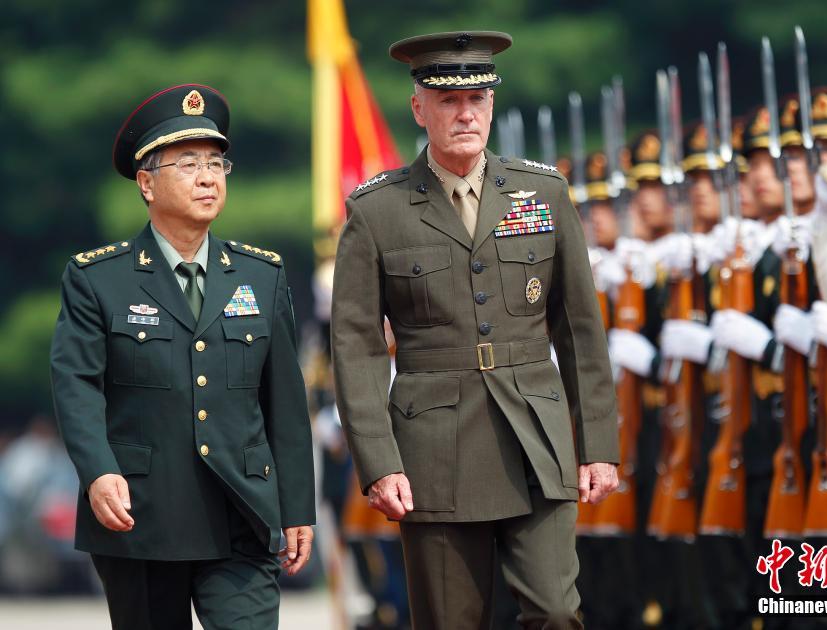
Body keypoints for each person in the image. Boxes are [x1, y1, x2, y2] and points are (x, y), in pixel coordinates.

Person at [331, 31, 619, 629]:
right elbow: (356, 349)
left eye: (479, 99)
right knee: (450, 620)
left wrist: (598, 446)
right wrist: (379, 461)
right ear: (419, 108)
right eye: (447, 101)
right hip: (434, 449)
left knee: (557, 611)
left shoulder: (543, 192)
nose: (466, 113)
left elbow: (581, 331)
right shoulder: (376, 211)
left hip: (534, 440)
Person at [49, 84, 315, 630]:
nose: (207, 177)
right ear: (146, 183)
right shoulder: (99, 278)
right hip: (141, 517)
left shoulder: (261, 275)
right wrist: (98, 472)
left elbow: (285, 402)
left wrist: (297, 508)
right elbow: (75, 385)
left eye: (217, 163)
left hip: (241, 512)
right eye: (188, 163)